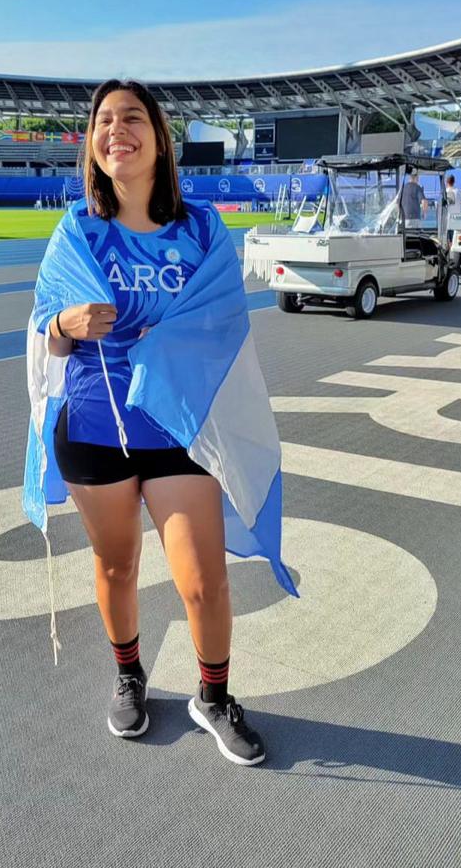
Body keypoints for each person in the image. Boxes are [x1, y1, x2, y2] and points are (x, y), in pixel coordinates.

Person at [23, 78, 296, 767]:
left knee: (203, 580)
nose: (117, 130)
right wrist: (62, 323)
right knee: (116, 566)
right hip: (94, 425)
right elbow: (44, 335)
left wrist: (166, 346)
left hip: (179, 429)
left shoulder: (201, 228)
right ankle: (128, 675)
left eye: (132, 118)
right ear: (92, 143)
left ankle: (213, 694)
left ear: (159, 137)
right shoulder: (77, 230)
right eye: (104, 121)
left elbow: (224, 325)